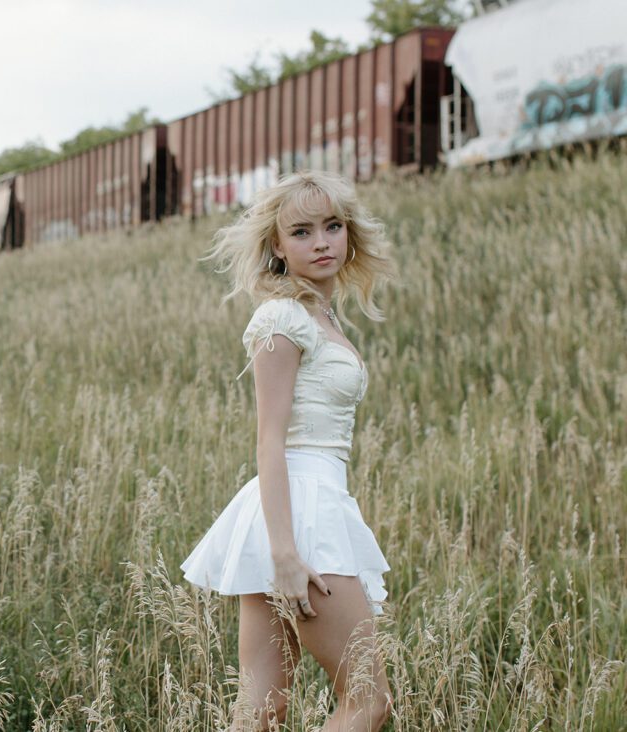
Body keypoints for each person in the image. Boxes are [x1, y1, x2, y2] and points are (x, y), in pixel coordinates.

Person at [180, 169, 399, 731]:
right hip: (297, 516)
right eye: (301, 231)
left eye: (332, 226)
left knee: (262, 710)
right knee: (368, 701)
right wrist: (284, 552)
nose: (321, 241)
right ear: (277, 244)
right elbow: (269, 440)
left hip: (294, 509)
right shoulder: (281, 317)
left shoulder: (320, 315)